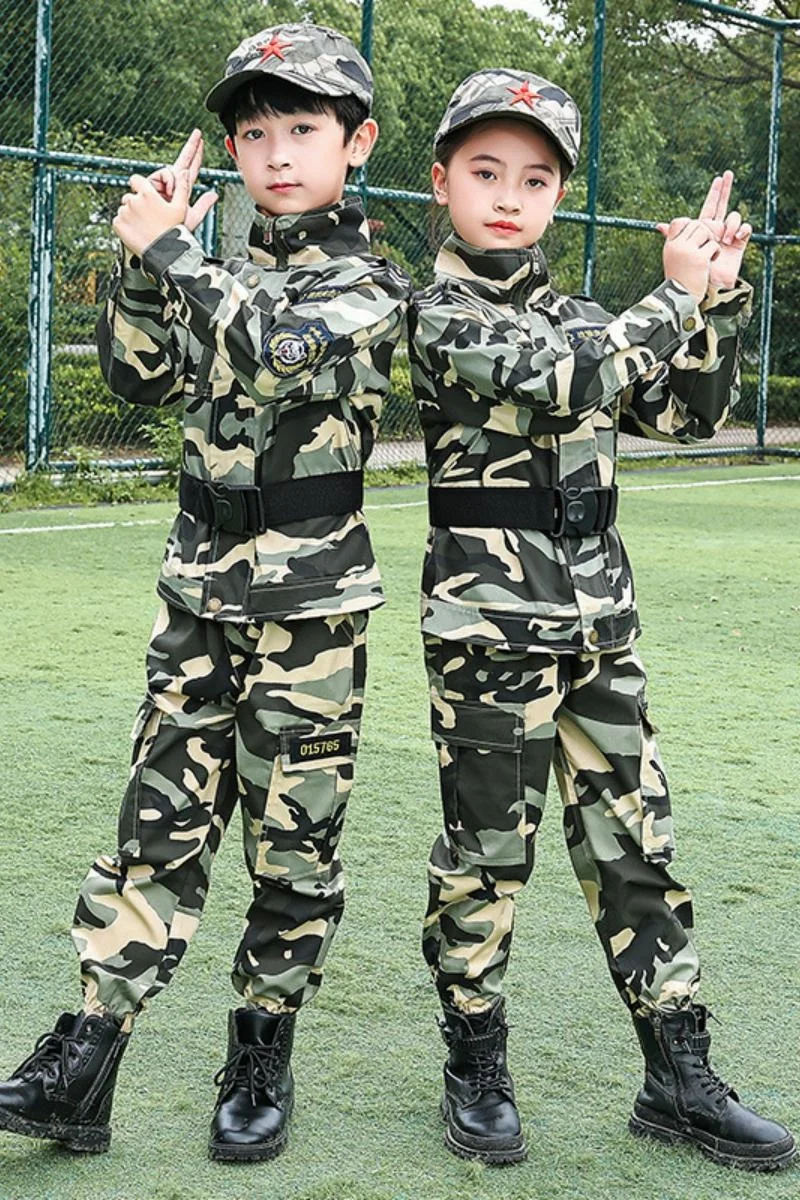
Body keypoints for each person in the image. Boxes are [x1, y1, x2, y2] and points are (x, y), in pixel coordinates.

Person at [0, 23, 409, 1162]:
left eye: (303, 130)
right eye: (254, 133)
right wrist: (141, 263)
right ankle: (86, 1058)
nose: (276, 153)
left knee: (294, 843)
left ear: (355, 143)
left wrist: (173, 254)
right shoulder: (210, 269)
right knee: (155, 827)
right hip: (196, 594)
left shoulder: (368, 281)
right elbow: (141, 376)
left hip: (312, 612)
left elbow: (281, 348)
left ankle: (260, 1050)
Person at [409, 67, 796, 1172]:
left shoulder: (587, 311)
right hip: (488, 630)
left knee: (638, 850)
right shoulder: (436, 312)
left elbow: (682, 411)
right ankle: (474, 1066)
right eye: (484, 172)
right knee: (487, 858)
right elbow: (571, 376)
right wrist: (671, 296)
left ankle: (675, 1077)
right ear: (440, 183)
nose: (507, 195)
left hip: (598, 628)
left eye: (533, 178)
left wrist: (716, 297)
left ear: (557, 196)